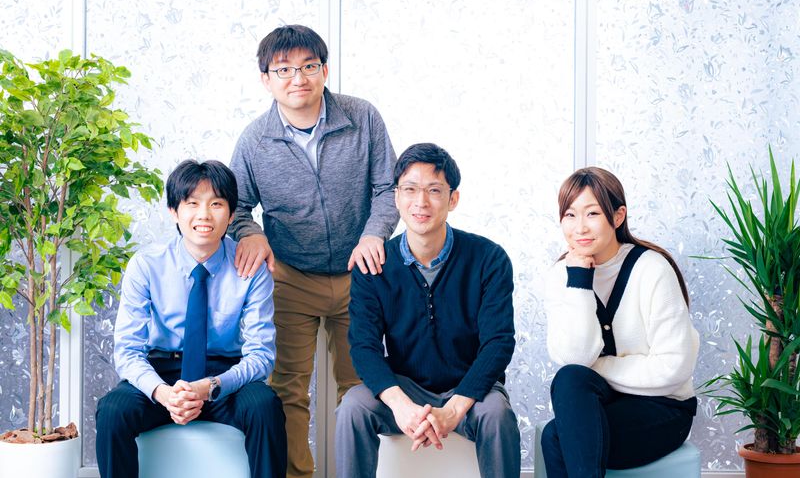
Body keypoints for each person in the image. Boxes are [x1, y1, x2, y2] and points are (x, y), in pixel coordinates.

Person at [228, 24, 399, 478]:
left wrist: (374, 234)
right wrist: (251, 234)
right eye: (283, 69)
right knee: (286, 391)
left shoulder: (362, 118)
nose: (297, 78)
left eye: (308, 66)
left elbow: (388, 188)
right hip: (290, 277)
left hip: (360, 273)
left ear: (325, 70)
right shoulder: (254, 140)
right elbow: (237, 206)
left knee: (361, 390)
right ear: (265, 79)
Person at [336, 143, 520, 478]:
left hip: (470, 391)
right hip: (405, 387)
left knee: (497, 413)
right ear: (396, 197)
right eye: (410, 189)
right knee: (353, 406)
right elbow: (364, 347)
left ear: (453, 199)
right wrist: (401, 406)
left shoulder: (488, 259)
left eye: (434, 190)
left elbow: (498, 343)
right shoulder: (373, 265)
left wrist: (453, 410)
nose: (420, 202)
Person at [95, 160, 287, 478]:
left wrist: (210, 386)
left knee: (264, 406)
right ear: (174, 211)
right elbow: (128, 351)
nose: (204, 215)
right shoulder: (147, 265)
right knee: (114, 410)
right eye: (192, 203)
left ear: (231, 213)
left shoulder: (251, 268)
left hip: (224, 379)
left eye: (216, 204)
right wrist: (164, 393)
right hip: (162, 373)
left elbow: (261, 355)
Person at [541, 167, 700, 477]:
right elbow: (574, 359)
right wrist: (579, 280)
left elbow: (674, 367)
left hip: (664, 409)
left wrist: (599, 366)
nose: (580, 227)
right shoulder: (562, 275)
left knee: (556, 437)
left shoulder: (652, 269)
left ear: (617, 216)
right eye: (570, 215)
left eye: (592, 213)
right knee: (570, 378)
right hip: (604, 404)